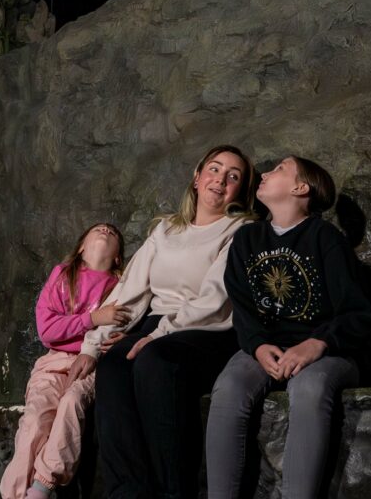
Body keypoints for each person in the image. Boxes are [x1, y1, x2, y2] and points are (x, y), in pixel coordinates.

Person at [64, 145, 257, 499]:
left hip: (209, 331)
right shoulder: (166, 230)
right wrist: (92, 346)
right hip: (158, 327)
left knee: (154, 361)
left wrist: (158, 334)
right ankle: (129, 492)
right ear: (197, 178)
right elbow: (130, 291)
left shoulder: (241, 230)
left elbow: (215, 300)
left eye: (233, 176)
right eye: (214, 170)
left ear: (240, 191)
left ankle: (174, 491)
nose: (220, 180)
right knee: (114, 364)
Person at [206, 157, 371, 499]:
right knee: (230, 386)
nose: (264, 174)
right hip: (265, 348)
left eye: (279, 170)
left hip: (327, 352)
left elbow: (358, 313)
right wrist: (255, 345)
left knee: (310, 388)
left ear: (301, 188)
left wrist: (318, 343)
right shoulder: (247, 239)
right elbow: (242, 306)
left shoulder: (325, 239)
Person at [0, 223, 130, 499]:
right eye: (98, 229)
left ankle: (42, 485)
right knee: (35, 419)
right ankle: (13, 493)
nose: (106, 230)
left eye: (112, 232)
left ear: (118, 257)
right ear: (81, 246)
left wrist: (121, 339)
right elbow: (47, 331)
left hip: (93, 365)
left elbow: (125, 328)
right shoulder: (62, 275)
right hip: (53, 362)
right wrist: (94, 319)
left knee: (71, 403)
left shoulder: (122, 286)